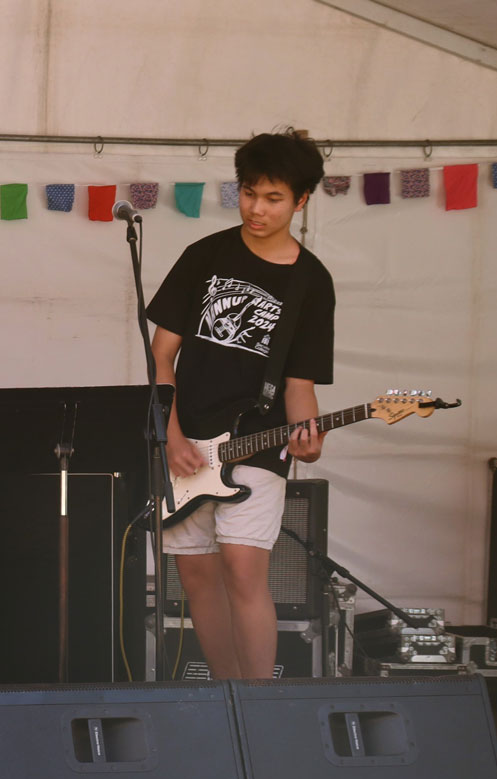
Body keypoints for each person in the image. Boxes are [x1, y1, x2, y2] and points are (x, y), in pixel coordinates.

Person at [147, 130, 333, 680]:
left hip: (260, 437)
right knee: (197, 578)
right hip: (184, 441)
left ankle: (259, 704)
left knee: (244, 568)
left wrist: (310, 436)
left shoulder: (311, 282)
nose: (256, 208)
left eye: (273, 198)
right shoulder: (204, 255)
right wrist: (171, 435)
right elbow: (162, 358)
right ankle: (224, 694)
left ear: (301, 200)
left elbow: (300, 382)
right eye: (249, 193)